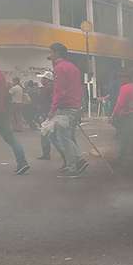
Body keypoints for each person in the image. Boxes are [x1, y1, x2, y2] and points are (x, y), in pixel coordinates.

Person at [48, 42, 87, 177]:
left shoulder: (60, 68)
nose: (50, 56)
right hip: (74, 106)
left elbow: (59, 90)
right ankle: (75, 162)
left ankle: (74, 165)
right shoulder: (73, 67)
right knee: (67, 136)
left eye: (51, 53)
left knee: (62, 137)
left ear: (57, 53)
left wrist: (52, 109)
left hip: (65, 107)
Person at [35, 71, 65, 164]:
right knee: (53, 136)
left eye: (43, 78)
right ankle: (65, 156)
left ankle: (65, 156)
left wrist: (43, 113)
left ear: (47, 79)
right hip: (53, 113)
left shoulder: (46, 89)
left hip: (49, 114)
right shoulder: (53, 87)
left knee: (48, 135)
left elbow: (43, 102)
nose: (41, 80)